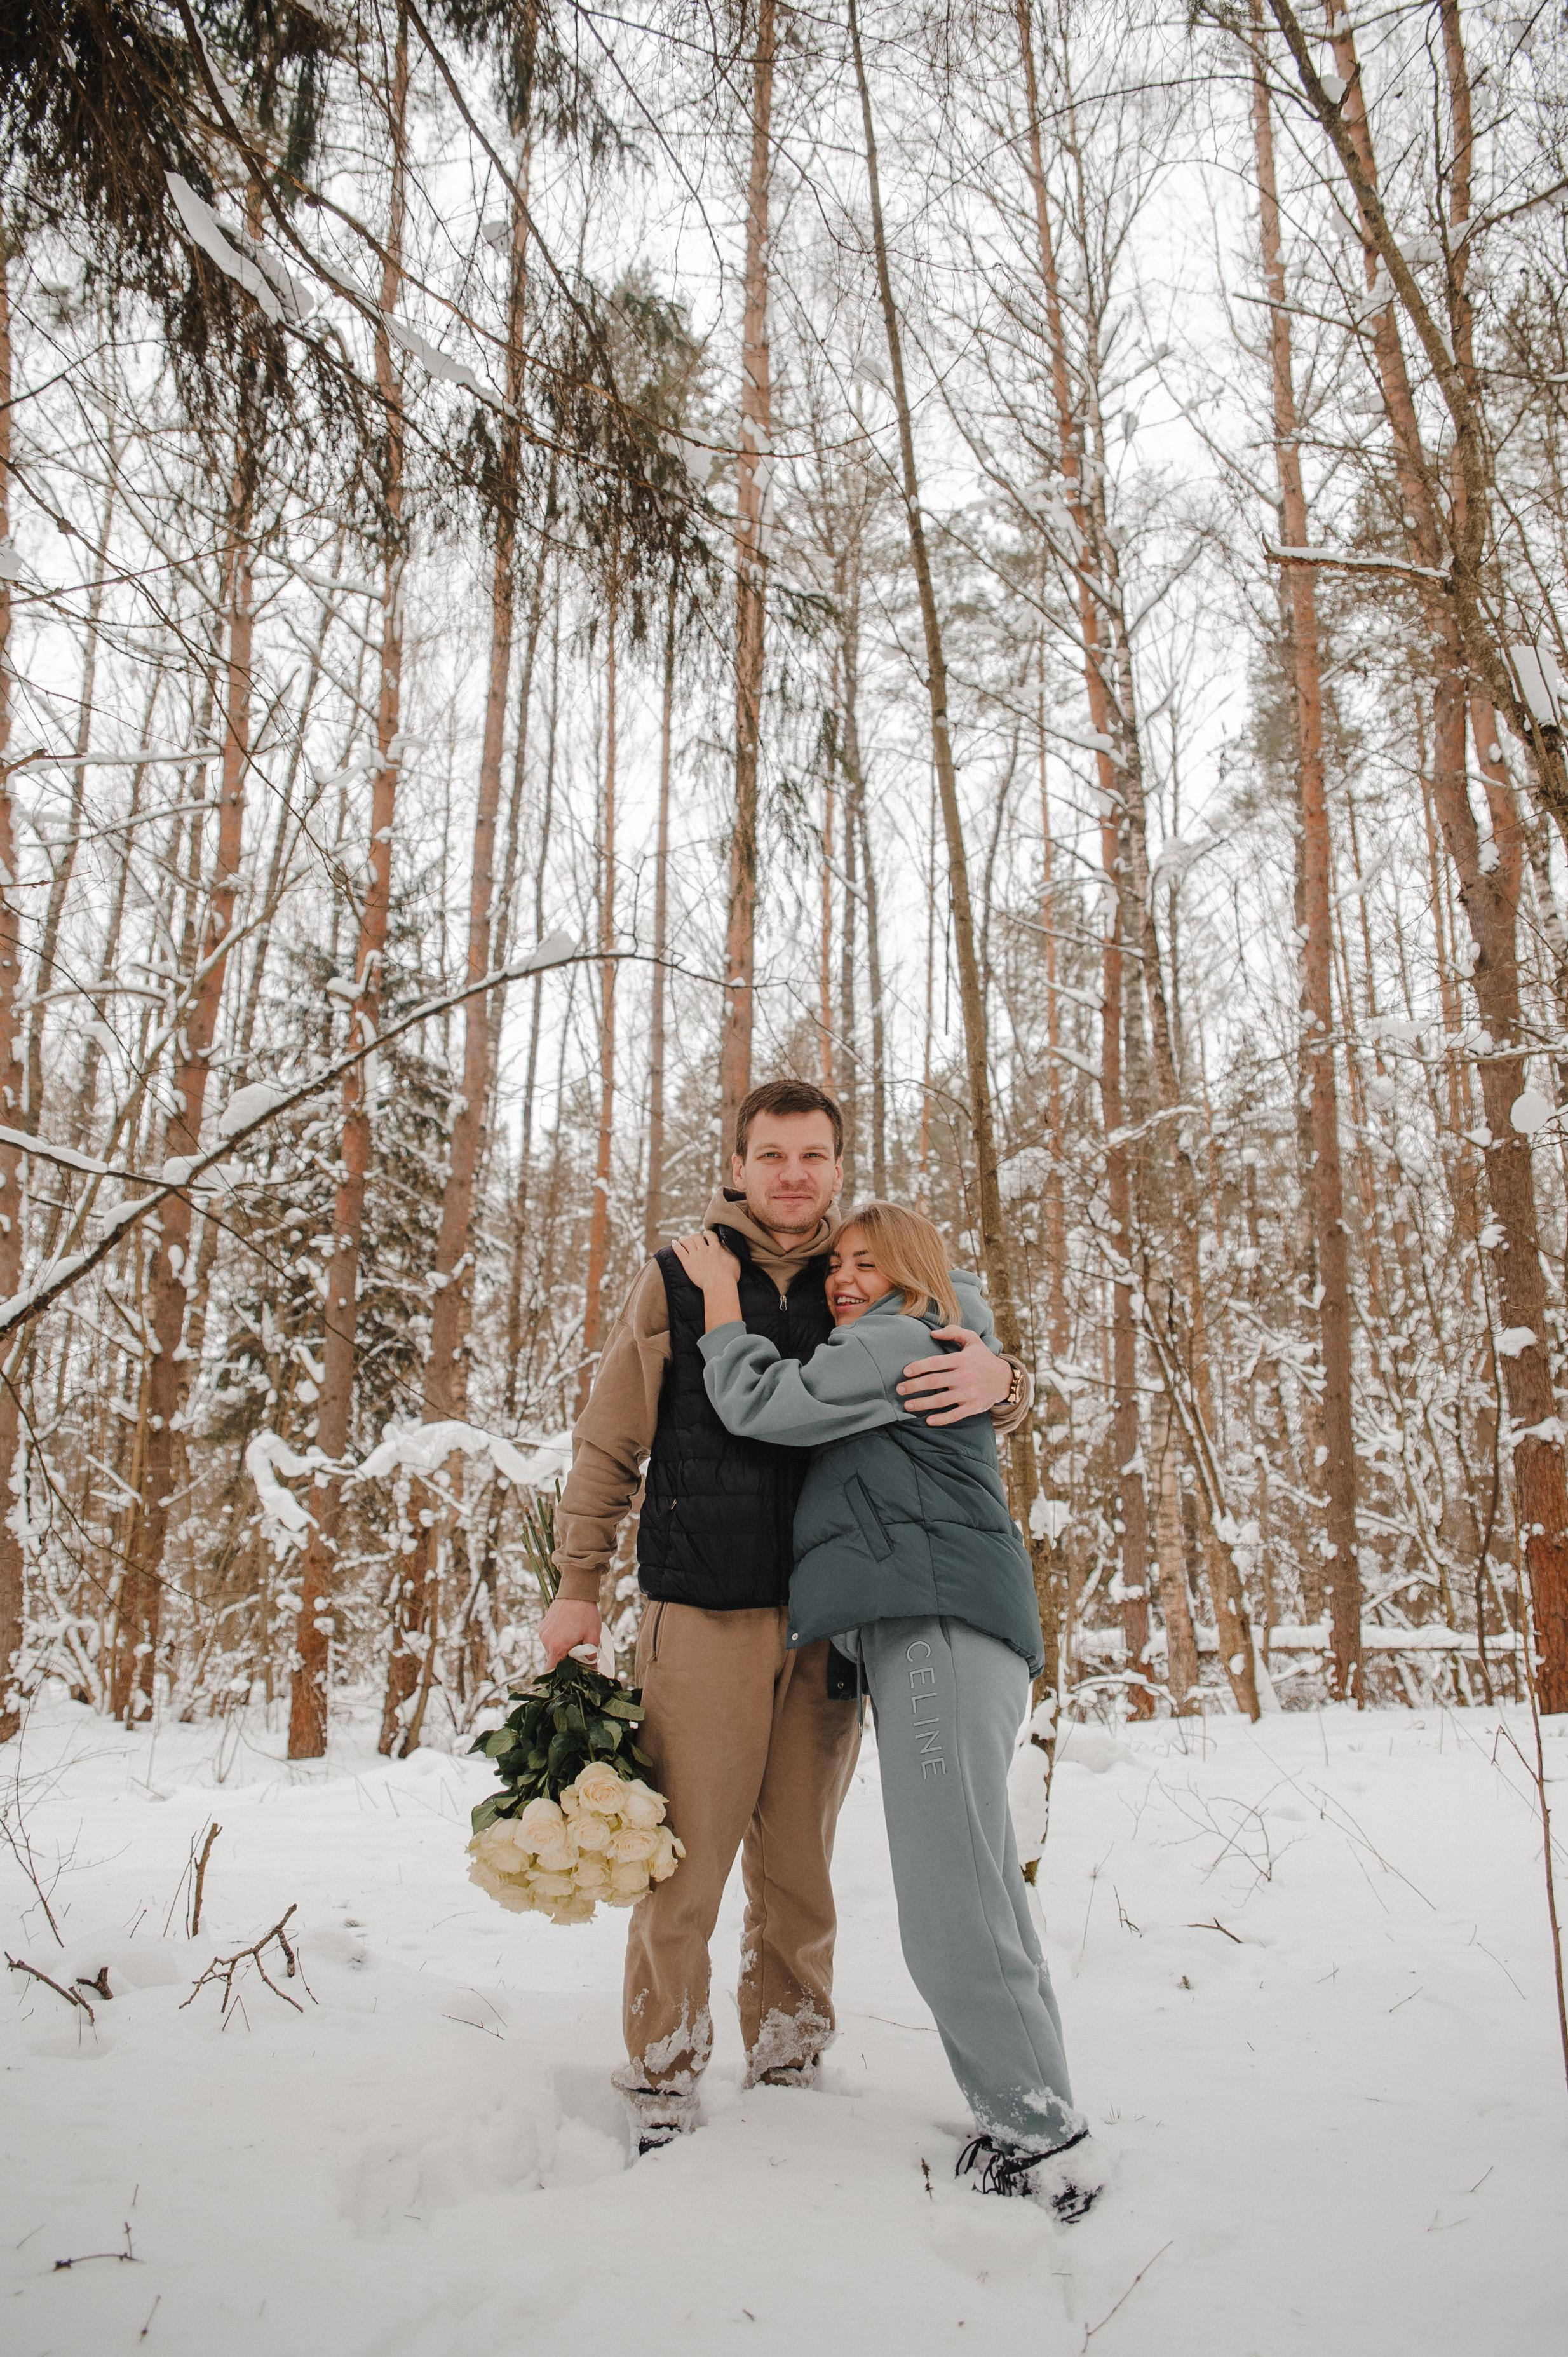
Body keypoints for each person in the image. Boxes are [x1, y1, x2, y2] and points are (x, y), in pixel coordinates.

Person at [539, 1080, 1031, 2147]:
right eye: (772, 1155)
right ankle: (664, 2072)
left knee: (800, 1864)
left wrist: (1009, 1381)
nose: (794, 1174)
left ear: (840, 1167)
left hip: (827, 1618)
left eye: (814, 1155)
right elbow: (609, 1439)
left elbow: (955, 1346)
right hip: (704, 1608)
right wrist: (580, 1585)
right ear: (740, 1163)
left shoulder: (866, 1278)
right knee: (689, 1858)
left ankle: (791, 2056)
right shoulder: (678, 1280)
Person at [670, 1200, 1101, 2220]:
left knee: (951, 1903)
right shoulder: (930, 1335)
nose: (844, 1279)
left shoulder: (894, 1341)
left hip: (939, 1624)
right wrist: (1009, 1377)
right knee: (984, 1885)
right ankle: (1036, 2114)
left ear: (910, 1271)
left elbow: (759, 1405)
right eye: (838, 1266)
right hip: (942, 1628)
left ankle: (1042, 2135)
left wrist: (723, 1303)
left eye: (869, 1262)